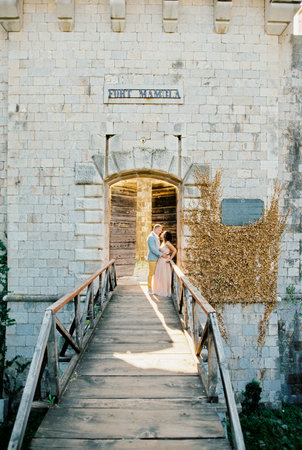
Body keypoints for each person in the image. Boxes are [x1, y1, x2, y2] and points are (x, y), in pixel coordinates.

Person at [153, 231, 177, 297]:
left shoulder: (167, 243)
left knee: (164, 276)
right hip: (160, 261)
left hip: (164, 262)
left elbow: (175, 250)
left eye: (163, 233)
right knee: (159, 275)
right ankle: (158, 290)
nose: (162, 233)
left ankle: (163, 291)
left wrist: (170, 258)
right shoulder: (163, 242)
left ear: (165, 236)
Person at [147, 224, 168, 294]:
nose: (160, 231)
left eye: (161, 230)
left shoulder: (156, 237)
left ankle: (155, 287)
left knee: (156, 274)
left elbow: (157, 248)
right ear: (155, 229)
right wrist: (161, 254)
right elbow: (153, 249)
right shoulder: (151, 237)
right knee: (151, 273)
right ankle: (149, 288)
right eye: (159, 230)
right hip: (152, 258)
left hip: (157, 258)